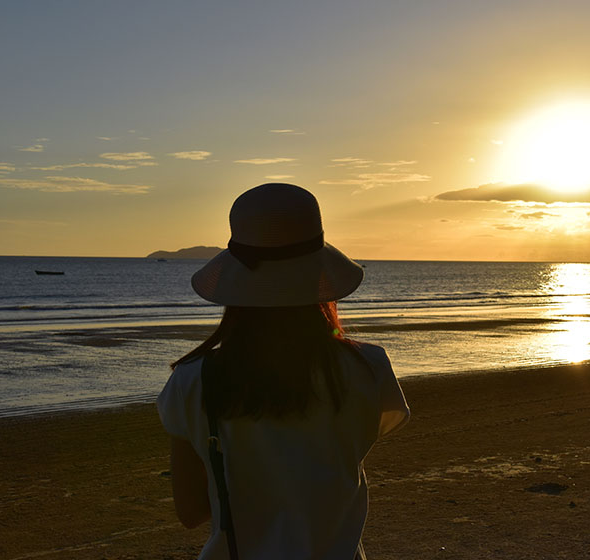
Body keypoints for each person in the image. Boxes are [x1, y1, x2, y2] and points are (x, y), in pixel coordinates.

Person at [157, 183, 409, 559]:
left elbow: (191, 511)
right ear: (319, 270)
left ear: (234, 279)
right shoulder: (368, 369)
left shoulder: (192, 381)